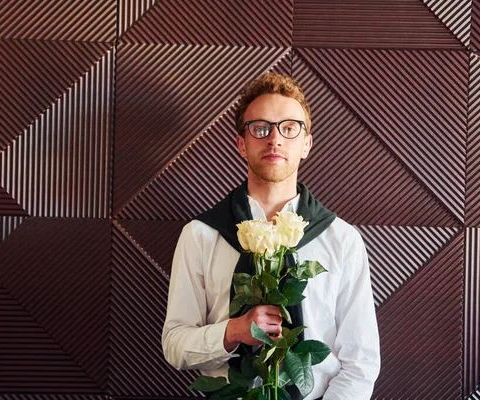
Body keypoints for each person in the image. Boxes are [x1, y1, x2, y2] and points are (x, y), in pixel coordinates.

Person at [162, 72, 380, 399]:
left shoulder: (342, 240)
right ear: (241, 143)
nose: (274, 139)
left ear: (306, 144)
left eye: (289, 128)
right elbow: (175, 345)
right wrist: (233, 331)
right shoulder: (200, 236)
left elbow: (360, 361)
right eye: (260, 128)